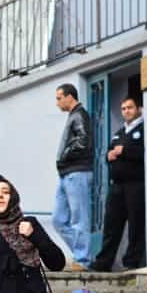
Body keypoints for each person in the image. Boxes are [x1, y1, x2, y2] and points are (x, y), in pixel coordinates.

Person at [91, 96, 146, 271]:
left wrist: (125, 150)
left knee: (136, 225)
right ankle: (103, 263)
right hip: (117, 185)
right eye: (123, 108)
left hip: (135, 184)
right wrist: (109, 156)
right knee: (111, 225)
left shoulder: (144, 129)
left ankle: (131, 262)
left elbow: (146, 152)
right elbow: (109, 152)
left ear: (138, 109)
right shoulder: (119, 132)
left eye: (129, 107)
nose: (126, 111)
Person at [52, 83, 94, 271]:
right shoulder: (74, 116)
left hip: (77, 172)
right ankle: (81, 254)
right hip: (67, 174)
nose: (57, 103)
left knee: (79, 219)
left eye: (59, 98)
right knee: (58, 220)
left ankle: (83, 260)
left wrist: (65, 154)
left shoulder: (79, 114)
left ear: (70, 97)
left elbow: (83, 141)